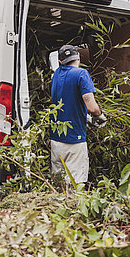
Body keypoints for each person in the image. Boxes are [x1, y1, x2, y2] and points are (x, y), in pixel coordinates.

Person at [49, 44, 105, 185]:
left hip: (56, 139)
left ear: (60, 61)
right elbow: (92, 107)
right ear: (78, 56)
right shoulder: (81, 74)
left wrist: (85, 118)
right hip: (74, 140)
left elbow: (67, 101)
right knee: (76, 185)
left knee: (59, 184)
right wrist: (99, 115)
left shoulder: (56, 75)